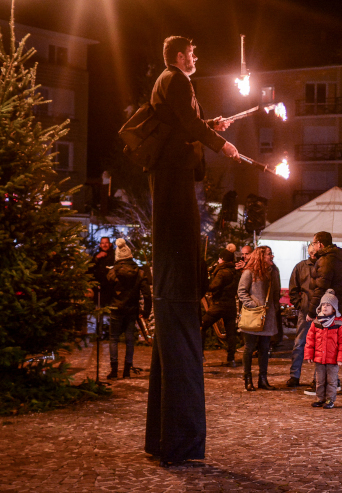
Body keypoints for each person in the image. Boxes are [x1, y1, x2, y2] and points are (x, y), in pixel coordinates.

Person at [144, 36, 240, 465]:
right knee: (181, 239)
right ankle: (179, 441)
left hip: (172, 175)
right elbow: (184, 122)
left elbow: (183, 122)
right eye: (194, 53)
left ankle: (166, 440)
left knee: (181, 240)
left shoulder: (170, 82)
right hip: (172, 178)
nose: (197, 58)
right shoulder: (176, 80)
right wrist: (223, 145)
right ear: (181, 56)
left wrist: (211, 127)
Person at [238, 246, 282, 391]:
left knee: (264, 348)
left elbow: (276, 292)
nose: (272, 256)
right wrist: (253, 305)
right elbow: (242, 291)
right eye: (269, 254)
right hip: (253, 315)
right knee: (249, 348)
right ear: (261, 256)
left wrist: (275, 308)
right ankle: (247, 378)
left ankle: (263, 379)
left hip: (268, 316)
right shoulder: (250, 272)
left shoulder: (274, 271)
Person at [106, 238, 151, 380]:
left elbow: (107, 292)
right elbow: (147, 295)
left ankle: (114, 371)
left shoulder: (112, 272)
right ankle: (126, 370)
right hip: (132, 310)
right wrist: (146, 312)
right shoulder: (139, 272)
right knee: (130, 340)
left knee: (113, 339)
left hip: (116, 308)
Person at [305, 289, 342, 409]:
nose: (325, 307)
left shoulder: (339, 324)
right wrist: (309, 355)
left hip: (333, 359)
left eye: (328, 305)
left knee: (331, 381)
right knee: (320, 381)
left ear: (334, 308)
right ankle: (320, 399)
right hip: (319, 359)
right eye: (323, 305)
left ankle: (330, 400)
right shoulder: (316, 322)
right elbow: (310, 340)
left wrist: (341, 359)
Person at [286, 242, 318, 387]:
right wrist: (300, 305)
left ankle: (318, 377)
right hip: (305, 310)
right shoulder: (301, 267)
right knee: (299, 343)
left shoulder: (324, 266)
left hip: (321, 312)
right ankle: (295, 375)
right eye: (311, 253)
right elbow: (293, 289)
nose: (313, 255)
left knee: (320, 345)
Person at [201, 248, 239, 366]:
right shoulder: (235, 272)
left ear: (222, 259)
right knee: (231, 332)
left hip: (219, 305)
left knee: (202, 326)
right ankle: (231, 358)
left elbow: (214, 286)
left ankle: (200, 355)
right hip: (231, 305)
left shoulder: (222, 272)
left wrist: (204, 285)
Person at [306, 232, 342, 324]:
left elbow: (320, 289)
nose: (313, 246)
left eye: (314, 244)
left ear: (320, 244)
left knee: (326, 337)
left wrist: (311, 312)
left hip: (327, 310)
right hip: (339, 307)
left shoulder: (325, 260)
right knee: (336, 335)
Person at [89, 236, 116, 339]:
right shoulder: (96, 256)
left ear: (110, 244)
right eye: (102, 243)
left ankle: (111, 333)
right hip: (99, 289)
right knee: (99, 312)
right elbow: (90, 269)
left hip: (111, 289)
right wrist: (96, 258)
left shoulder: (114, 256)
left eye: (106, 243)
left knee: (111, 313)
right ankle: (98, 333)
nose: (104, 245)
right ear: (100, 245)